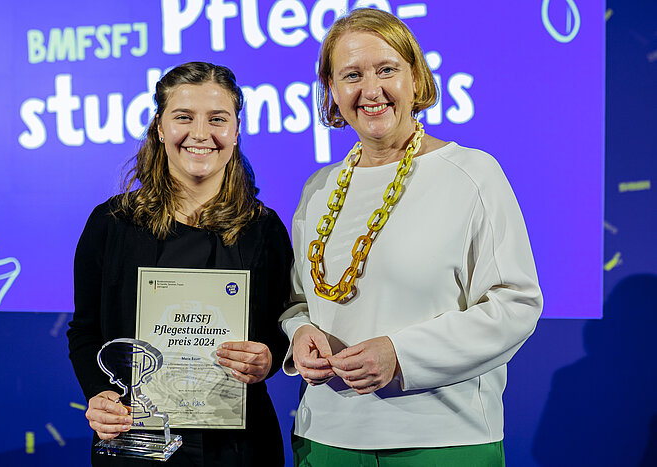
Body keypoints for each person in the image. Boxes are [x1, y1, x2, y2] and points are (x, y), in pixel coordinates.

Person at [280, 8, 543, 466]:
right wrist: (299, 332)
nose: (371, 91)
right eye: (351, 75)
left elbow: (515, 304)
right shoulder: (318, 188)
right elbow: (299, 300)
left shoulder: (472, 174)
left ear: (416, 78)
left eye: (387, 70)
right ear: (331, 92)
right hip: (324, 438)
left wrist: (400, 354)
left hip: (441, 441)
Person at [67, 62, 291, 467]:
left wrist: (269, 358)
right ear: (159, 127)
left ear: (236, 131)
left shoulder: (265, 228)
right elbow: (85, 332)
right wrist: (100, 393)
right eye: (183, 117)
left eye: (217, 119)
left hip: (241, 448)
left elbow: (282, 326)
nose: (200, 134)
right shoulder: (111, 224)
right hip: (137, 444)